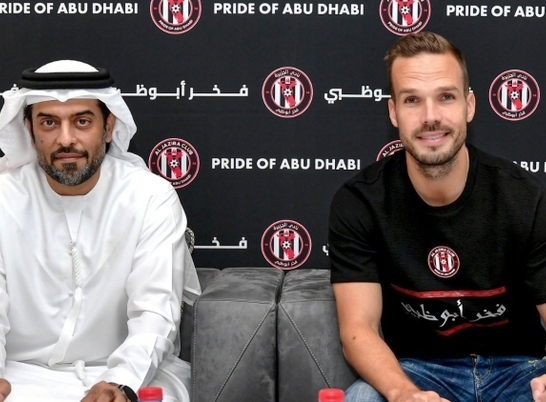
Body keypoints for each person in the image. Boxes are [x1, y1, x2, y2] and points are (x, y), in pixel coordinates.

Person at [328, 31, 546, 402]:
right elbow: (358, 329)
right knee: (362, 398)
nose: (430, 117)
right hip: (419, 371)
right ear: (393, 112)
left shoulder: (525, 197)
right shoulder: (360, 202)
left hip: (520, 371)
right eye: (412, 100)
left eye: (446, 96)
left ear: (469, 105)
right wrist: (403, 393)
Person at [0, 60, 201, 402]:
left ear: (108, 127)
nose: (66, 139)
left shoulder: (149, 197)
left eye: (82, 121)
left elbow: (156, 312)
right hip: (18, 374)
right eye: (49, 122)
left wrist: (122, 382)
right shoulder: (5, 197)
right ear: (29, 131)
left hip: (131, 372)